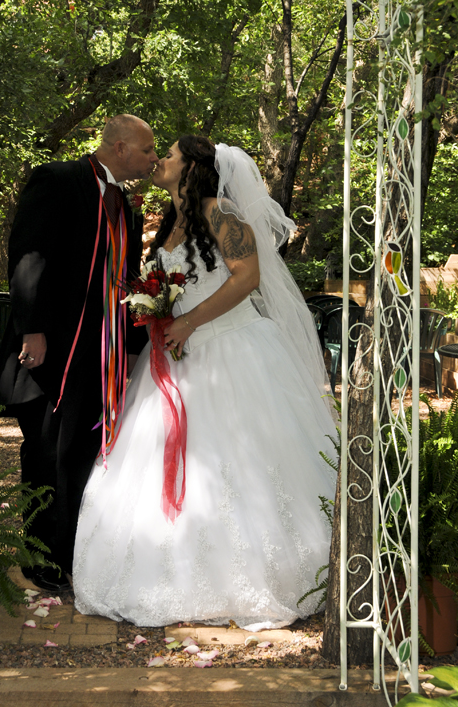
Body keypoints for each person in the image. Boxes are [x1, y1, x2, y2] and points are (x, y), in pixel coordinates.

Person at [73, 135, 337, 630]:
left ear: (193, 168)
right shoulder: (171, 224)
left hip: (231, 350)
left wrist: (190, 321)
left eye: (168, 155)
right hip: (174, 361)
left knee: (239, 464)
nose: (159, 161)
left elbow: (247, 277)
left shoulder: (223, 215)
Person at [0, 115, 158, 592]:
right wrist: (32, 330)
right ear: (119, 147)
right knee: (43, 452)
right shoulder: (57, 179)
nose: (152, 159)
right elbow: (27, 256)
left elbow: (119, 279)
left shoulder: (126, 205)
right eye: (147, 150)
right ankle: (39, 559)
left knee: (82, 453)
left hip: (98, 355)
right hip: (47, 350)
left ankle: (72, 556)